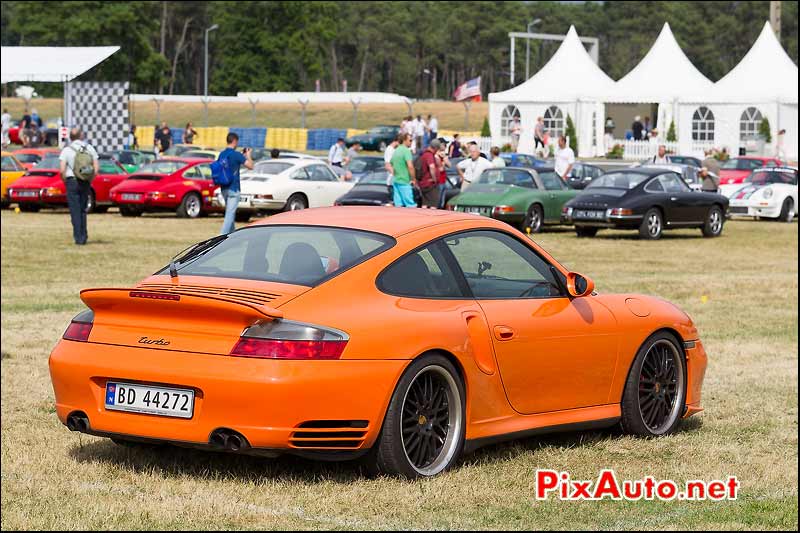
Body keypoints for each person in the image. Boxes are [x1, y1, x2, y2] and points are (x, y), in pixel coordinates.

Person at [59, 127, 99, 245]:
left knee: (75, 210)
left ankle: (78, 237)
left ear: (70, 137)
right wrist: (90, 179)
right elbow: (96, 168)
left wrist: (65, 181)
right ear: (81, 136)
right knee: (82, 209)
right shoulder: (89, 148)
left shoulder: (66, 150)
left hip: (71, 181)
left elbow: (62, 170)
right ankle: (84, 235)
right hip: (85, 181)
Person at [218, 132, 254, 235]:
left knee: (230, 213)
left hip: (224, 187)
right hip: (234, 188)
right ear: (234, 141)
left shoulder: (222, 154)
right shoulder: (236, 155)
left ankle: (232, 236)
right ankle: (220, 239)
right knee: (229, 214)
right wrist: (248, 156)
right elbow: (251, 166)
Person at [390, 133, 417, 207]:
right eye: (410, 140)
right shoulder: (406, 151)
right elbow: (410, 166)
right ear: (404, 140)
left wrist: (396, 172)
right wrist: (413, 179)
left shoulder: (396, 150)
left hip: (396, 180)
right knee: (410, 204)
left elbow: (391, 164)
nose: (411, 142)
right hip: (405, 181)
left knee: (398, 205)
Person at [418, 139, 441, 208]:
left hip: (423, 182)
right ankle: (432, 218)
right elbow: (432, 167)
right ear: (436, 148)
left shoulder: (424, 154)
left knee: (425, 203)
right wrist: (434, 179)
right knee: (433, 204)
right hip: (430, 183)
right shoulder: (429, 155)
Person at [436, 144, 451, 209]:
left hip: (443, 181)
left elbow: (450, 165)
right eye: (441, 151)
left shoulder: (443, 157)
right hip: (438, 182)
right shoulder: (436, 157)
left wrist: (444, 158)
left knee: (442, 201)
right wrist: (443, 161)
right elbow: (441, 169)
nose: (442, 152)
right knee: (438, 200)